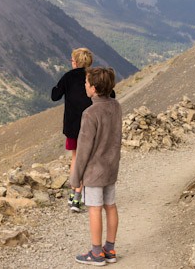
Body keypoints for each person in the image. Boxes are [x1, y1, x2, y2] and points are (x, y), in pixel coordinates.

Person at [70, 67, 122, 266]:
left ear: (93, 88)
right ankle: (110, 249)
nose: (84, 85)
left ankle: (96, 253)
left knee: (94, 209)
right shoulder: (116, 106)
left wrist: (76, 178)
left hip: (94, 170)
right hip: (111, 166)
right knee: (111, 206)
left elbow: (83, 149)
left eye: (86, 83)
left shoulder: (90, 113)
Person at [51, 47, 93, 212]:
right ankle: (85, 193)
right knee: (89, 158)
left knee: (75, 158)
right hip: (90, 125)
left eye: (72, 59)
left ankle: (74, 194)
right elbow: (111, 95)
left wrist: (56, 87)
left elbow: (55, 96)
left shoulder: (68, 77)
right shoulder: (93, 76)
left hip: (72, 126)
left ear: (75, 62)